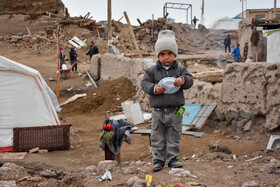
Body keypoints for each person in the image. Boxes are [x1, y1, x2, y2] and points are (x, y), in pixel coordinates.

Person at [141, 30, 193, 172]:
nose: (166, 57)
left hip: (177, 110)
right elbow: (144, 84)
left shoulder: (181, 70)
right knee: (157, 136)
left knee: (174, 135)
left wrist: (182, 81)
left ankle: (172, 159)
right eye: (162, 54)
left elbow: (190, 81)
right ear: (158, 55)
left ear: (175, 54)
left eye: (169, 53)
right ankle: (158, 160)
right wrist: (154, 89)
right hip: (158, 111)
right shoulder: (152, 71)